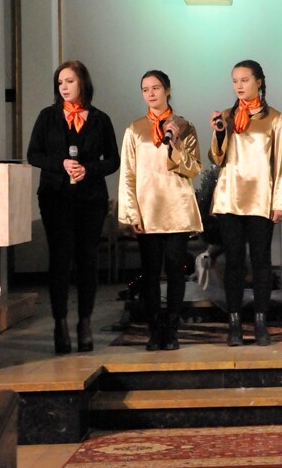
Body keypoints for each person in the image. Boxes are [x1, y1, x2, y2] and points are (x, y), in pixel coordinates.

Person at [27, 60, 119, 354]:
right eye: (60, 82)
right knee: (60, 258)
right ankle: (60, 323)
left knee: (87, 259)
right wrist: (61, 163)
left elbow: (113, 160)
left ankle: (85, 323)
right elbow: (33, 154)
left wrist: (88, 169)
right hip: (55, 196)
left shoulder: (100, 119)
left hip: (91, 198)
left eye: (70, 81)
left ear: (83, 83)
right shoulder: (47, 116)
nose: (64, 87)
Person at [118, 70, 202, 352]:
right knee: (150, 272)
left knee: (176, 269)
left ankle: (173, 326)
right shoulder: (134, 129)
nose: (151, 93)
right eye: (145, 89)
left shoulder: (184, 126)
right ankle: (155, 329)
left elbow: (193, 168)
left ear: (167, 90)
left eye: (156, 88)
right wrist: (131, 213)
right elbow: (128, 174)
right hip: (148, 210)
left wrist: (175, 144)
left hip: (177, 207)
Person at [210, 60, 282, 346]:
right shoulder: (226, 116)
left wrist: (280, 201)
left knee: (261, 262)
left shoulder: (274, 118)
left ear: (259, 82)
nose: (239, 86)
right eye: (235, 81)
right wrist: (220, 132)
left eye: (244, 80)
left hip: (260, 199)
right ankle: (234, 323)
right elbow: (217, 158)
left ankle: (260, 322)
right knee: (233, 261)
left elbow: (280, 163)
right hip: (230, 197)